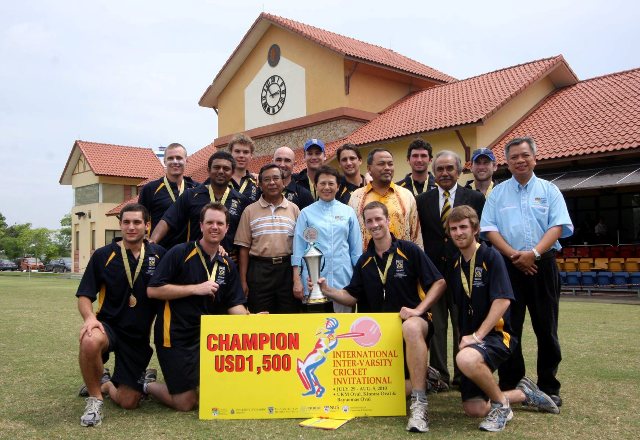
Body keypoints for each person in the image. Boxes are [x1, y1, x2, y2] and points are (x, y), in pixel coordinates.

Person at [314, 201, 446, 433]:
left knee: (412, 328)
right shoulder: (363, 262)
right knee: (385, 392)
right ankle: (424, 377)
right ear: (364, 226)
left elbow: (439, 282)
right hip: (380, 341)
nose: (375, 224)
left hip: (411, 326)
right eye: (369, 221)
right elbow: (351, 297)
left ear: (388, 220)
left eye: (378, 219)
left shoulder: (410, 250)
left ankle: (419, 404)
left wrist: (418, 310)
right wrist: (327, 291)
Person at [447, 205, 559, 432]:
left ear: (475, 229)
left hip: (498, 336)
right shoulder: (455, 263)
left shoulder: (491, 256)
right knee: (474, 408)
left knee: (466, 359)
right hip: (472, 340)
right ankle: (522, 394)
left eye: (463, 227)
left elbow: (503, 301)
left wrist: (477, 336)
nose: (458, 232)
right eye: (453, 229)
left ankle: (501, 406)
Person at [480, 136, 573, 407]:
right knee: (510, 328)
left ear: (535, 158)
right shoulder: (498, 193)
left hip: (542, 264)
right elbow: (489, 229)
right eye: (514, 157)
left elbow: (558, 226)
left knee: (546, 327)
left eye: (525, 155)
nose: (520, 160)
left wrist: (532, 254)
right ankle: (510, 382)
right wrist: (514, 255)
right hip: (508, 267)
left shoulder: (549, 190)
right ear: (507, 163)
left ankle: (548, 385)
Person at [146, 203, 250, 411]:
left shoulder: (227, 264)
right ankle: (145, 384)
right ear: (201, 225)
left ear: (227, 228)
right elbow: (153, 291)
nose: (215, 227)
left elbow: (234, 304)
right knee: (186, 403)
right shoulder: (179, 252)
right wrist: (195, 289)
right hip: (175, 336)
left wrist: (252, 319)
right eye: (210, 222)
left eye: (220, 223)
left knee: (214, 393)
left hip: (207, 339)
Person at [75, 203, 166, 427]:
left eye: (137, 222)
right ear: (120, 225)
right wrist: (90, 319)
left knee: (129, 402)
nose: (131, 227)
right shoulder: (104, 255)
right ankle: (95, 399)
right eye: (126, 222)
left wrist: (220, 248)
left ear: (147, 225)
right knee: (89, 339)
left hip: (137, 337)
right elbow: (84, 295)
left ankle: (104, 384)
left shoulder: (160, 255)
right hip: (109, 327)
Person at [416, 150, 485, 388]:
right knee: (437, 327)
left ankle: (462, 374)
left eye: (449, 168)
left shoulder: (475, 198)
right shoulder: (422, 200)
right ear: (433, 173)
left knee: (462, 323)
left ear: (459, 170)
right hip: (433, 274)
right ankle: (439, 376)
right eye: (440, 169)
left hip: (463, 272)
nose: (444, 173)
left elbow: (480, 236)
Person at [150, 151, 248, 261]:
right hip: (194, 260)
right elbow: (167, 220)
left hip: (226, 262)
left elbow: (245, 234)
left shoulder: (241, 201)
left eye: (226, 168)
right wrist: (152, 242)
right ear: (209, 170)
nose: (221, 171)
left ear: (232, 172)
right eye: (216, 167)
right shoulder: (190, 195)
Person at [292, 165, 362, 312]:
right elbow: (298, 249)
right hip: (313, 281)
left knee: (342, 329)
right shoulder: (306, 213)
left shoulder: (348, 212)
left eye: (331, 183)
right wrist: (297, 280)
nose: (326, 187)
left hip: (343, 279)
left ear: (338, 187)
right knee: (316, 330)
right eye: (322, 183)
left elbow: (356, 250)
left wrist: (359, 279)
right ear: (316, 186)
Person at [234, 164, 301, 313]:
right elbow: (243, 249)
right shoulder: (249, 211)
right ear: (260, 184)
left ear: (283, 182)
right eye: (267, 179)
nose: (272, 182)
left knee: (289, 317)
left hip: (287, 270)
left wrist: (298, 278)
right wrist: (243, 281)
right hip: (259, 271)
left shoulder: (294, 209)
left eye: (276, 178)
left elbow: (300, 246)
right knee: (260, 317)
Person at [348, 148, 422, 251]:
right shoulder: (356, 197)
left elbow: (416, 234)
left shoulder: (406, 195)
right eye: (381, 164)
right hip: (369, 262)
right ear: (369, 169)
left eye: (390, 164)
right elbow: (351, 234)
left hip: (403, 262)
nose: (387, 168)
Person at [138, 143, 198, 249]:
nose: (175, 162)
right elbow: (140, 220)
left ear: (186, 160)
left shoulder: (197, 188)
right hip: (160, 251)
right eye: (171, 158)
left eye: (179, 158)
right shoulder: (150, 189)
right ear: (164, 161)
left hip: (189, 253)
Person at [273, 146, 315, 210]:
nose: (282, 164)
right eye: (278, 160)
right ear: (272, 162)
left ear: (294, 164)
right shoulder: (262, 191)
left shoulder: (303, 195)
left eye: (287, 161)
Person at [228, 133, 259, 202]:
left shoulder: (257, 183)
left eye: (245, 152)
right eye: (237, 151)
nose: (241, 155)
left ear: (251, 155)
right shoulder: (221, 180)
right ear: (230, 154)